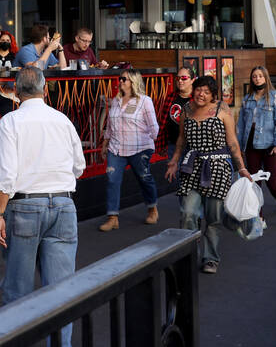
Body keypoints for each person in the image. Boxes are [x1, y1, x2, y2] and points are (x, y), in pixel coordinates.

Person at [0, 67, 85, 347]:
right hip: (63, 204)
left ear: (16, 92)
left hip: (25, 206)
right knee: (61, 292)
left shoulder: (10, 122)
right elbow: (78, 166)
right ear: (45, 89)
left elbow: (6, 176)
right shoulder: (62, 120)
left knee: (17, 290)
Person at [164, 75, 250, 274]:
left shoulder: (222, 110)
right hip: (191, 166)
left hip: (218, 168)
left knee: (213, 218)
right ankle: (187, 256)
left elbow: (233, 142)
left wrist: (241, 168)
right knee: (187, 213)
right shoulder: (186, 111)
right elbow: (181, 140)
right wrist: (174, 161)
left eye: (206, 92)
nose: (201, 94)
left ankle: (210, 258)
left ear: (212, 95)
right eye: (198, 90)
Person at [99, 69, 159, 232]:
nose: (120, 82)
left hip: (139, 148)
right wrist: (105, 143)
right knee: (112, 181)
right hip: (116, 148)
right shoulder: (116, 101)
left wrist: (151, 140)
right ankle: (112, 217)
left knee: (144, 178)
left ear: (133, 81)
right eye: (120, 79)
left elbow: (153, 126)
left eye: (124, 79)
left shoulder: (144, 101)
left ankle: (152, 208)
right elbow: (110, 125)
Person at [237, 66, 276, 225]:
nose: (257, 79)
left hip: (269, 144)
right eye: (254, 76)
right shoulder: (247, 99)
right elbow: (241, 124)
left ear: (266, 78)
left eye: (260, 76)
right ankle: (259, 217)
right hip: (251, 144)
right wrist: (240, 146)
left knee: (272, 181)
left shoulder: (275, 97)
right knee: (254, 183)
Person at [156, 67, 194, 160]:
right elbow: (164, 122)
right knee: (174, 173)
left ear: (192, 80)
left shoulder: (198, 98)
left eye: (184, 78)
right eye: (177, 78)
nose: (180, 81)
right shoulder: (171, 97)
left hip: (193, 146)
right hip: (173, 144)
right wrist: (161, 144)